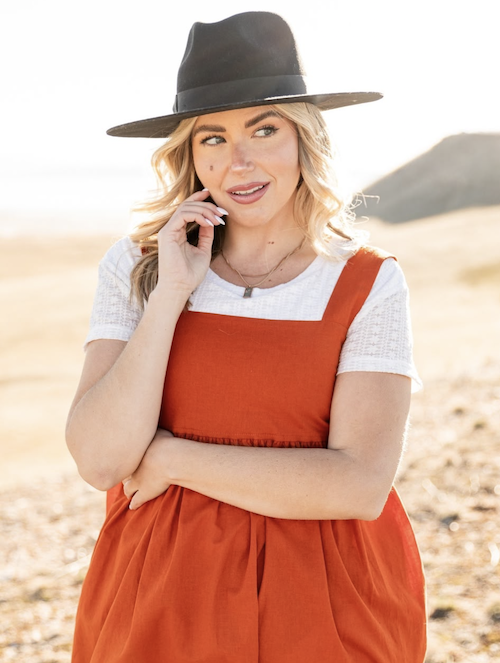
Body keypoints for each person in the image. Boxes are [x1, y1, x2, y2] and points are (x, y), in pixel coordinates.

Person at [66, 11, 426, 663]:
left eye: (264, 129)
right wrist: (173, 291)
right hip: (157, 601)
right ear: (189, 153)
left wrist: (172, 459)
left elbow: (358, 484)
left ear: (303, 141)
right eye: (212, 137)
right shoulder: (139, 267)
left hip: (326, 610)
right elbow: (100, 459)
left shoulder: (367, 282)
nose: (239, 161)